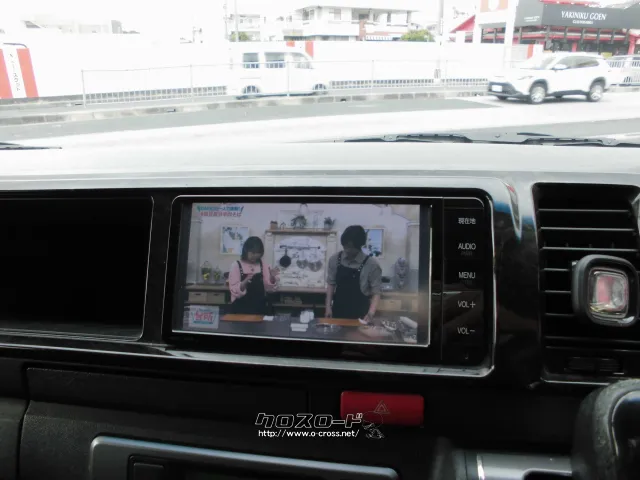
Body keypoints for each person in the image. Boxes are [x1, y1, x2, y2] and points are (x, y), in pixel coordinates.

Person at [325, 225, 382, 322]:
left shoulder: (372, 265)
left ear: (360, 246)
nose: (347, 250)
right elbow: (331, 284)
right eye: (345, 246)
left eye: (350, 247)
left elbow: (376, 292)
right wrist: (328, 307)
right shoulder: (335, 259)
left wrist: (371, 313)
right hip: (338, 312)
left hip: (361, 315)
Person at [228, 236, 279, 315]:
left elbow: (269, 289)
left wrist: (272, 277)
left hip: (259, 308)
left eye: (257, 254)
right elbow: (234, 290)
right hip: (240, 309)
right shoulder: (236, 265)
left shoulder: (263, 265)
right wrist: (244, 283)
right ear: (246, 250)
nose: (254, 256)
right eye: (252, 253)